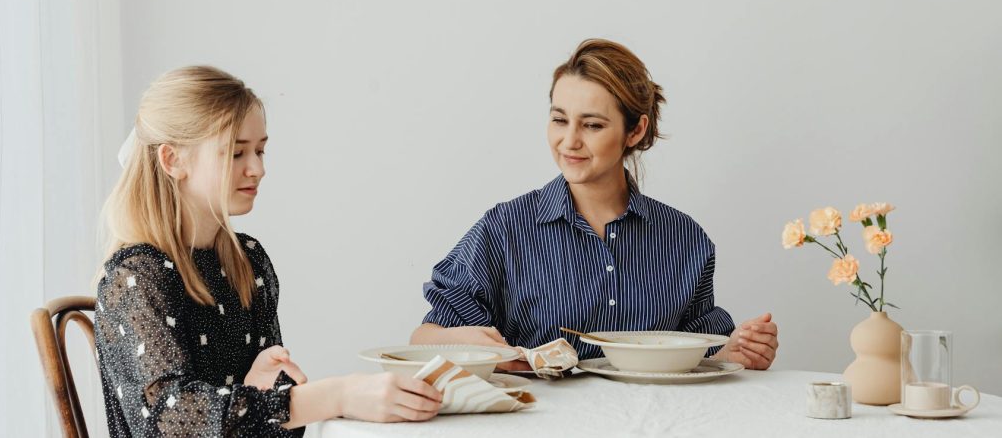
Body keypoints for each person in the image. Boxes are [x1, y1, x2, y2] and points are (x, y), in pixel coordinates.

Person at [95, 66, 441, 437]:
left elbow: (276, 418)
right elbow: (172, 419)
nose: (257, 169)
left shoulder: (248, 261)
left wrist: (257, 388)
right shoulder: (135, 279)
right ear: (172, 160)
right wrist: (336, 395)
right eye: (236, 153)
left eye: (260, 150)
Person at [411, 39, 779, 371]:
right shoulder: (504, 229)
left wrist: (738, 352)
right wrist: (471, 344)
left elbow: (704, 354)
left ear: (634, 131)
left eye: (592, 125)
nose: (568, 141)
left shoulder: (684, 239)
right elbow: (424, 338)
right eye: (559, 119)